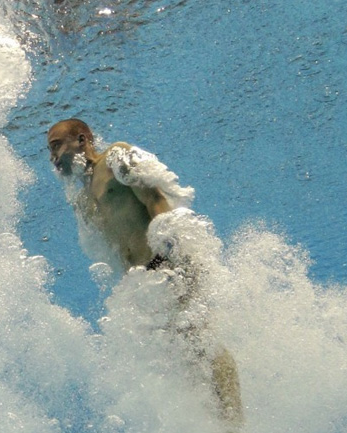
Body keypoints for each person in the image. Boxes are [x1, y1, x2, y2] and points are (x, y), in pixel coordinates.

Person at [47, 118, 244, 428]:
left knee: (201, 341)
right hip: (145, 286)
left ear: (83, 139)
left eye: (57, 145)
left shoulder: (116, 157)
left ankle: (237, 422)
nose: (53, 157)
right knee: (183, 361)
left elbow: (156, 199)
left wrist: (170, 254)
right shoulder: (83, 197)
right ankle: (217, 423)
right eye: (49, 151)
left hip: (169, 264)